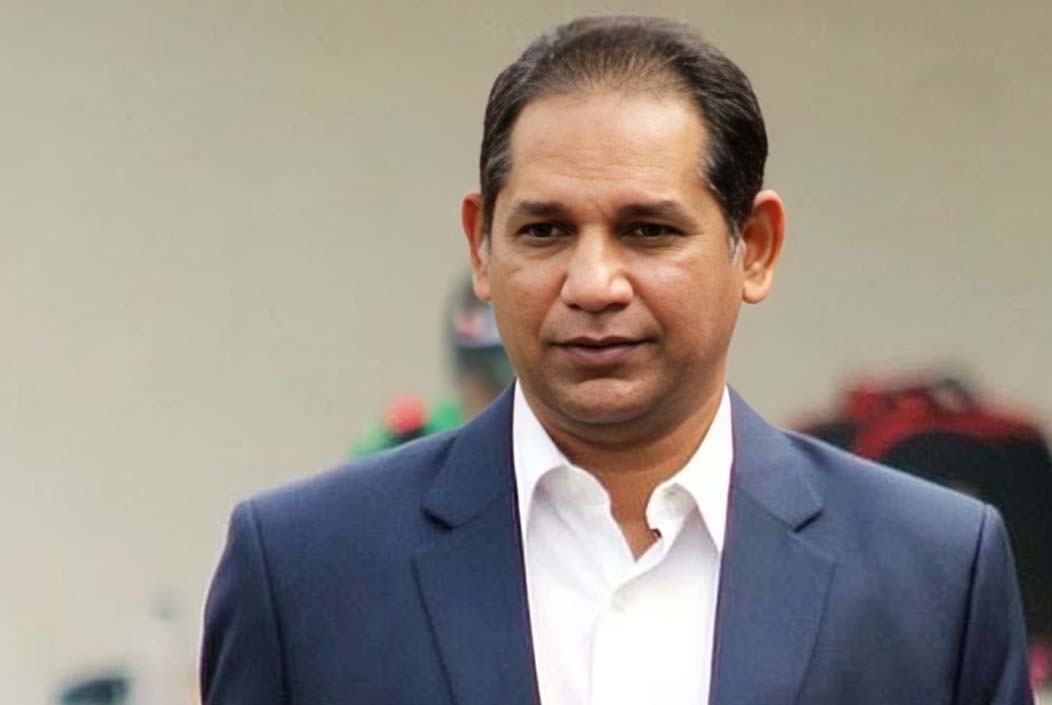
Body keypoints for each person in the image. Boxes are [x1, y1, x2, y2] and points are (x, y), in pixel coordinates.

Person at [200, 16, 1034, 705]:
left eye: (648, 231)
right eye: (545, 230)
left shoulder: (933, 575)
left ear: (755, 247)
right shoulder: (305, 571)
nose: (593, 284)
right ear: (482, 247)